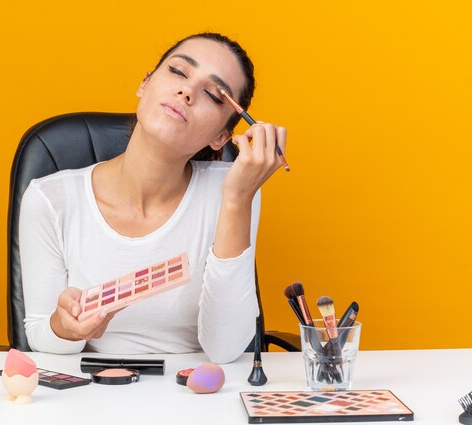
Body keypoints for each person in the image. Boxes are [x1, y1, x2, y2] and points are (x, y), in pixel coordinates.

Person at [19, 32, 287, 364]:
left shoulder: (236, 188)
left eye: (213, 95)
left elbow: (226, 349)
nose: (187, 91)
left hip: (199, 396)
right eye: (178, 71)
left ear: (221, 137)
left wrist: (237, 199)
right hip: (90, 394)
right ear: (145, 84)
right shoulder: (50, 200)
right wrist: (66, 328)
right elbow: (40, 337)